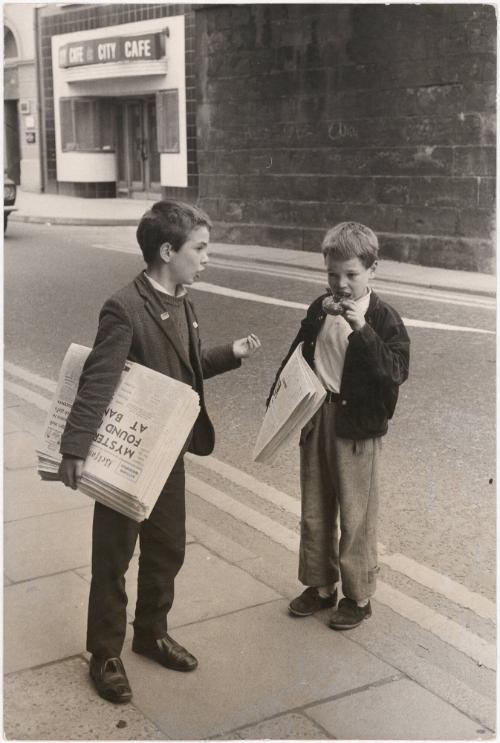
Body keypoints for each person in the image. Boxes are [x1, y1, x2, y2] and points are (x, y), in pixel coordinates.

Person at [59, 199, 261, 704]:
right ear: (168, 251)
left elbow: (183, 369)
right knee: (113, 556)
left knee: (167, 548)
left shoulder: (184, 302)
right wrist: (75, 448)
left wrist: (227, 355)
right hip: (125, 458)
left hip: (166, 453)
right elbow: (98, 382)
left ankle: (150, 633)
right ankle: (105, 653)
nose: (207, 258)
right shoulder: (124, 307)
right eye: (200, 248)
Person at [266, 221, 409, 631]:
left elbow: (394, 372)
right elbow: (298, 354)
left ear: (372, 270)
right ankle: (320, 585)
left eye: (351, 275)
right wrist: (278, 399)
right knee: (314, 509)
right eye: (332, 275)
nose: (340, 284)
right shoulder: (319, 307)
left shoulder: (383, 319)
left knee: (356, 516)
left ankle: (357, 596)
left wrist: (361, 330)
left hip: (357, 427)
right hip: (317, 415)